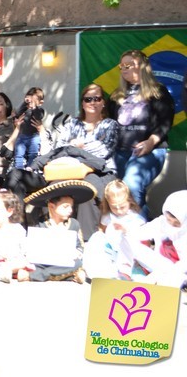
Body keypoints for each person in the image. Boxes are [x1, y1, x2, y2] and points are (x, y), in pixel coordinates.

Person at [108, 50, 175, 214]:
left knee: (131, 185)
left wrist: (151, 142)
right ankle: (146, 232)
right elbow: (110, 123)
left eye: (128, 65)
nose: (123, 69)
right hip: (121, 152)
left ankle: (127, 227)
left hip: (149, 150)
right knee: (128, 193)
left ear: (142, 67)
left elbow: (166, 121)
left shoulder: (158, 91)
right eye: (121, 66)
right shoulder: (117, 94)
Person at [54, 83, 119, 238]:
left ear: (103, 102)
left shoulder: (110, 125)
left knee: (87, 192)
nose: (92, 102)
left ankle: (87, 240)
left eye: (97, 98)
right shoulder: (72, 124)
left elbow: (103, 151)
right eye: (88, 99)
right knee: (53, 188)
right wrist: (77, 149)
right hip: (71, 171)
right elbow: (59, 147)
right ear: (82, 103)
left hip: (101, 172)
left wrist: (74, 148)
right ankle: (57, 235)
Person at [20, 180, 97, 283]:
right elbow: (33, 247)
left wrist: (76, 253)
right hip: (45, 262)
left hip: (66, 262)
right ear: (51, 206)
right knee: (33, 264)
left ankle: (37, 276)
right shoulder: (41, 223)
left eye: (71, 206)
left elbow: (80, 246)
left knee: (77, 263)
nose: (70, 210)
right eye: (65, 206)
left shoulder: (74, 224)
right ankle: (68, 276)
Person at [120, 190, 187, 288]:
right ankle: (124, 272)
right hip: (160, 264)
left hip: (178, 272)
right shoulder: (162, 222)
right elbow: (140, 233)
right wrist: (125, 232)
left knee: (170, 282)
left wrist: (159, 276)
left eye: (176, 223)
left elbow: (183, 265)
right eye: (169, 220)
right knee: (128, 241)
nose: (171, 224)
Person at [83, 180, 146, 280]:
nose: (119, 211)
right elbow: (102, 231)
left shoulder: (136, 219)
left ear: (129, 201)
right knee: (96, 238)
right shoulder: (108, 217)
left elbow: (141, 240)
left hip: (129, 256)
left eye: (122, 207)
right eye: (114, 207)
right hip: (110, 252)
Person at [13, 87, 45, 169]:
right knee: (19, 153)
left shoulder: (40, 110)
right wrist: (24, 103)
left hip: (34, 136)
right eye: (29, 101)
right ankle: (18, 169)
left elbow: (38, 116)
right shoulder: (25, 109)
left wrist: (35, 107)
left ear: (40, 103)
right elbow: (17, 113)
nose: (30, 103)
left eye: (34, 101)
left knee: (33, 153)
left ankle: (30, 168)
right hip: (22, 135)